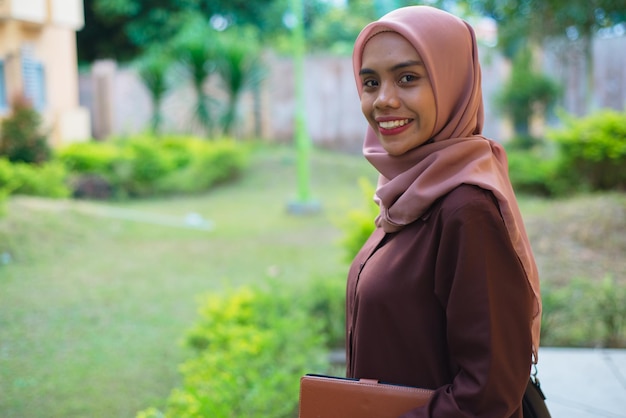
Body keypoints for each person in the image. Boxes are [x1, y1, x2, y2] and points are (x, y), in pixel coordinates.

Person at [345, 6, 542, 418]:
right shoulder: (410, 193)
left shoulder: (466, 208)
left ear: (453, 81)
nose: (384, 100)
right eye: (370, 82)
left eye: (408, 78)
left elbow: (488, 396)